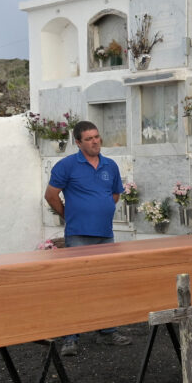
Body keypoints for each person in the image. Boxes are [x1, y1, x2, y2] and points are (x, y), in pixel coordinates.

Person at [44, 120, 132, 356]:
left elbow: (114, 195)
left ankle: (107, 330)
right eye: (89, 138)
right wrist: (68, 215)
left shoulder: (110, 165)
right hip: (79, 235)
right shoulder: (67, 165)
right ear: (78, 142)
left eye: (97, 136)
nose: (95, 141)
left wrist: (98, 209)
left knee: (105, 284)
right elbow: (51, 195)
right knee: (76, 285)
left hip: (105, 235)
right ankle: (71, 337)